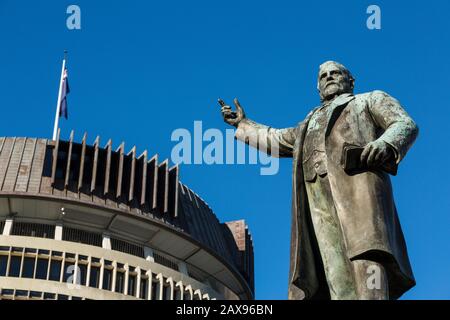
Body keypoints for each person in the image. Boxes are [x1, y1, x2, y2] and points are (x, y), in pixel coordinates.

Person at [220, 61, 419, 299]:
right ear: (317, 86)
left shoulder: (369, 100)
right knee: (334, 277)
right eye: (323, 75)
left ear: (350, 81)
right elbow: (275, 138)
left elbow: (404, 124)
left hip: (360, 205)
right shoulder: (308, 122)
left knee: (368, 269)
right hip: (319, 210)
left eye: (336, 73)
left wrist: (385, 144)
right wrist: (243, 124)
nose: (329, 77)